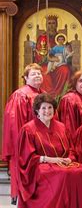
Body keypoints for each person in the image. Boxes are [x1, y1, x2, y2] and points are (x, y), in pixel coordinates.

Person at [17, 93, 82, 208]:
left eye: (50, 107)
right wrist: (51, 160)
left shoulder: (61, 127)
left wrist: (69, 158)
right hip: (39, 166)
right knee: (62, 174)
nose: (47, 111)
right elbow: (26, 157)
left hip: (61, 163)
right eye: (44, 108)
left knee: (80, 171)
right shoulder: (28, 129)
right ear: (37, 110)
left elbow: (71, 149)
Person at [2, 63, 44, 204]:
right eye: (33, 74)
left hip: (39, 143)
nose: (37, 75)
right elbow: (15, 124)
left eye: (39, 73)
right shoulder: (20, 95)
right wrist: (22, 144)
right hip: (25, 144)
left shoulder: (42, 94)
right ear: (26, 78)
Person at [57, 70, 82, 143]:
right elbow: (68, 126)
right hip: (77, 142)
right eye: (80, 81)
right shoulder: (69, 99)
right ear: (75, 83)